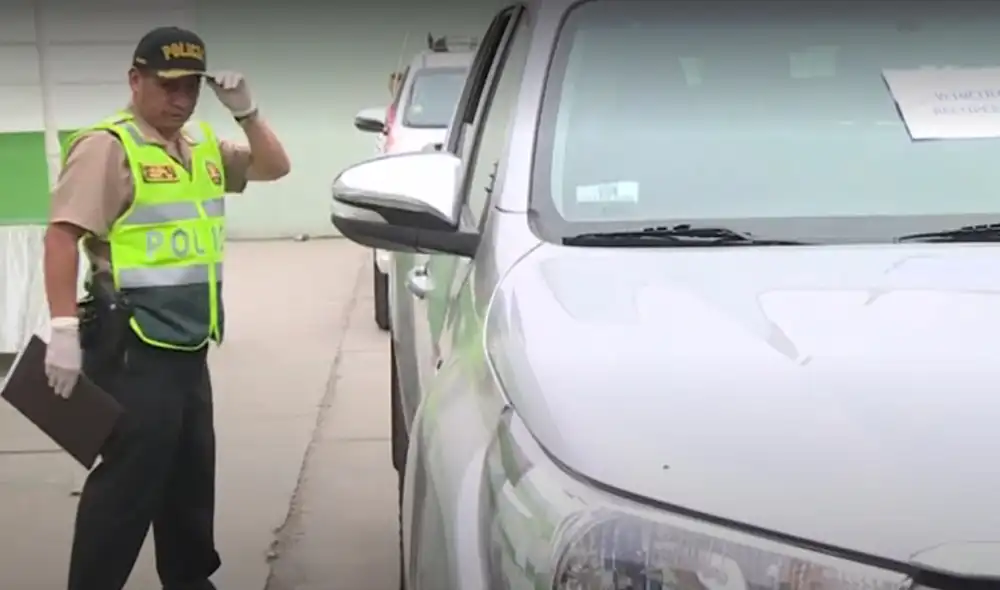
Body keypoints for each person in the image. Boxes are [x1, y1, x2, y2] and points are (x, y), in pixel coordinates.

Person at [41, 25, 290, 590]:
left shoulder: (199, 145)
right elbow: (61, 237)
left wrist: (246, 112)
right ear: (136, 81)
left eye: (191, 89)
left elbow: (274, 167)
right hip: (131, 346)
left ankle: (189, 581)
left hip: (187, 342)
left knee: (189, 479)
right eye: (168, 85)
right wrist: (60, 331)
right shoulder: (108, 146)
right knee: (130, 485)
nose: (180, 99)